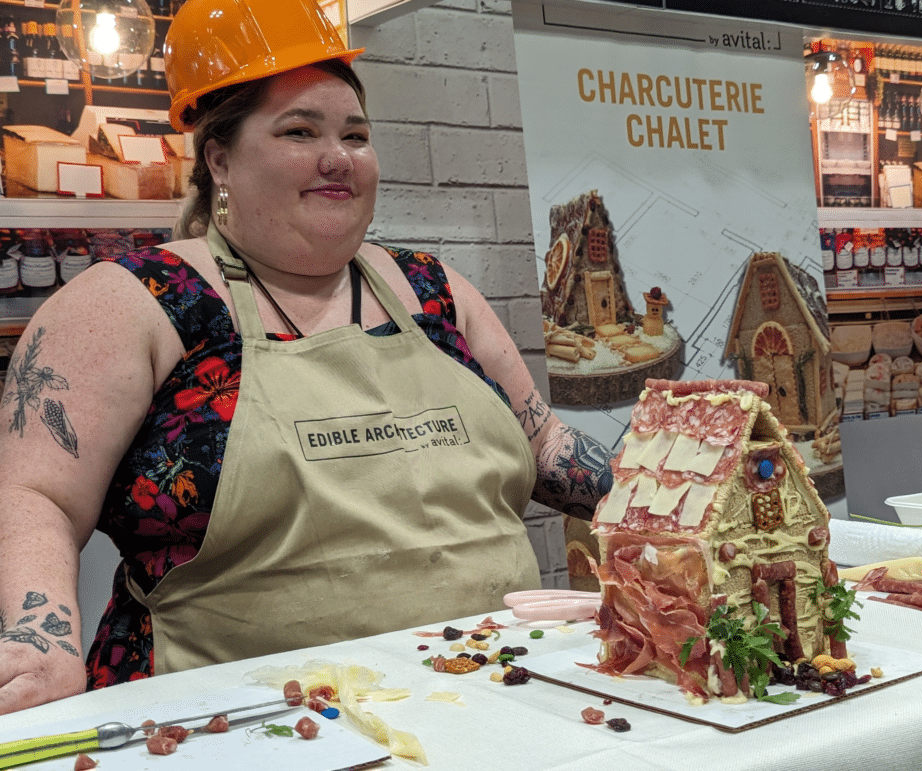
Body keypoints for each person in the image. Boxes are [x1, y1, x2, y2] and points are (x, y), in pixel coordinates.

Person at [0, 0, 613, 715]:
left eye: (356, 134)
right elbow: (37, 493)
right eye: (300, 131)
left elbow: (542, 439)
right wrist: (37, 642)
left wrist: (667, 499)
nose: (338, 157)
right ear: (219, 158)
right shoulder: (135, 301)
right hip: (244, 725)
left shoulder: (433, 290)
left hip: (490, 695)